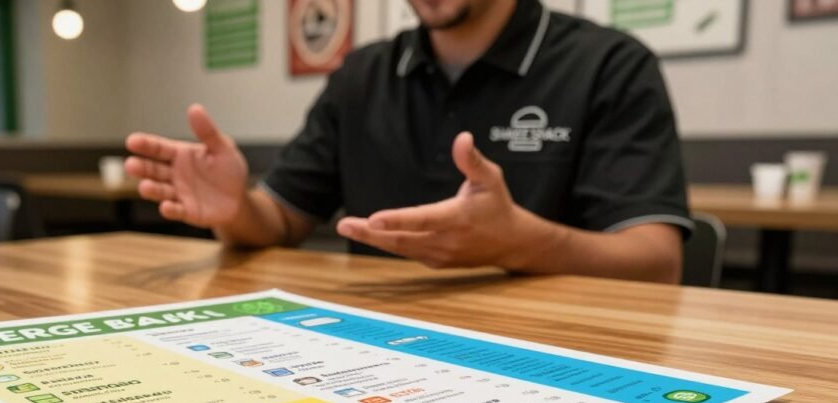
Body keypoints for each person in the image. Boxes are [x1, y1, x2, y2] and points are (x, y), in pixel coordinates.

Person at [125, 0, 692, 283]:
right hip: (376, 355)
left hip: (560, 365)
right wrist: (237, 208)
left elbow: (656, 258)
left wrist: (518, 243)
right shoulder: (362, 76)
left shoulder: (609, 64)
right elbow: (279, 220)